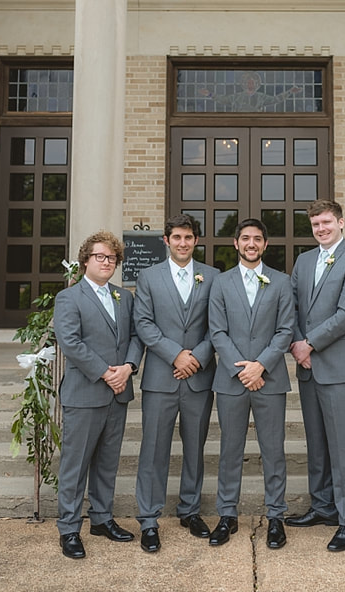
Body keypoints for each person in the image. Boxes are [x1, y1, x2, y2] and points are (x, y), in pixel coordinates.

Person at [286, 199, 345, 552]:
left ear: (341, 223)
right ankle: (323, 507)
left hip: (340, 368)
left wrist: (310, 344)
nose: (321, 229)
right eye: (316, 225)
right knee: (318, 443)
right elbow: (289, 305)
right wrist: (295, 342)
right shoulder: (304, 261)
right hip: (307, 367)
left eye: (326, 222)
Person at [54, 231, 142, 559]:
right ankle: (69, 528)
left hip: (118, 393)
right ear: (86, 260)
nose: (106, 262)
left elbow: (136, 335)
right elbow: (71, 343)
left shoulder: (125, 297)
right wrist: (107, 372)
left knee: (107, 463)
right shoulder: (70, 298)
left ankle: (102, 519)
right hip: (86, 393)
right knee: (75, 466)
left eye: (112, 258)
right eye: (100, 257)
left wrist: (128, 367)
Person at [207, 218, 294, 549]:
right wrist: (242, 368)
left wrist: (261, 366)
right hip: (231, 380)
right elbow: (217, 331)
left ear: (265, 245)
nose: (251, 243)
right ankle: (227, 515)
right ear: (236, 243)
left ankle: (276, 517)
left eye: (257, 238)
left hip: (269, 379)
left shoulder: (281, 282)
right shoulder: (220, 282)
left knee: (273, 451)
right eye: (245, 238)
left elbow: (286, 329)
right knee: (230, 450)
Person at [133, 214, 218, 552]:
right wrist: (175, 356)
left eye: (189, 237)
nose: (183, 243)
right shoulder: (148, 277)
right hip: (161, 376)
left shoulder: (212, 277)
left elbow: (219, 324)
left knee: (194, 448)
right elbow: (143, 322)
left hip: (198, 376)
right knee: (153, 449)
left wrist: (195, 357)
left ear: (196, 240)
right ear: (166, 241)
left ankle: (190, 509)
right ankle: (149, 520)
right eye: (177, 237)